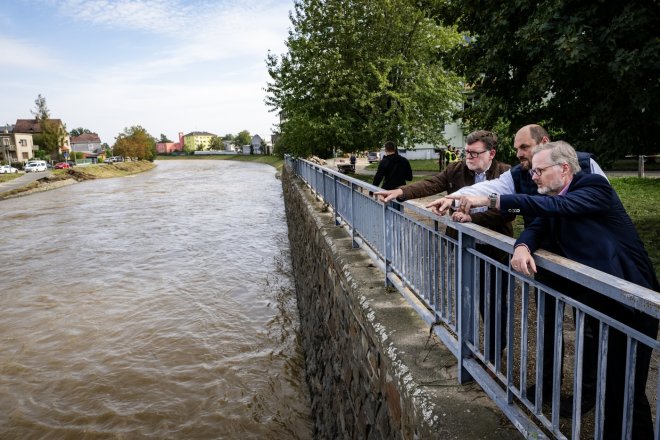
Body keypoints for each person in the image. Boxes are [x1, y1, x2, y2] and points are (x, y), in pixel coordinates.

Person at [449, 141, 659, 439]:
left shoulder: (593, 185)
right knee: (607, 386)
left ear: (563, 168)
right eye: (532, 171)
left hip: (631, 302)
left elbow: (557, 208)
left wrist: (494, 199)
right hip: (600, 301)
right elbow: (537, 226)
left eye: (539, 170)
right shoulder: (552, 195)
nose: (533, 176)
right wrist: (522, 246)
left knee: (626, 390)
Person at [426, 124, 608, 407]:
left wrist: (495, 204)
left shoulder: (585, 166)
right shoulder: (520, 174)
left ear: (545, 143)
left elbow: (584, 209)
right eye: (517, 149)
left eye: (524, 147)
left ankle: (587, 396)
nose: (520, 154)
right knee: (548, 323)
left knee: (589, 328)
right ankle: (548, 384)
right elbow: (494, 191)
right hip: (547, 260)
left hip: (586, 262)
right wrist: (454, 199)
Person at [375, 130, 513, 362]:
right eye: (466, 152)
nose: (468, 157)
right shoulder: (456, 169)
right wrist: (400, 192)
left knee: (496, 301)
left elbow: (514, 210)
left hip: (495, 248)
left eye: (474, 153)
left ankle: (495, 350)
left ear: (491, 153)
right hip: (463, 246)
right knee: (471, 296)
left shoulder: (506, 173)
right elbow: (432, 184)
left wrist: (473, 219)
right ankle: (470, 346)